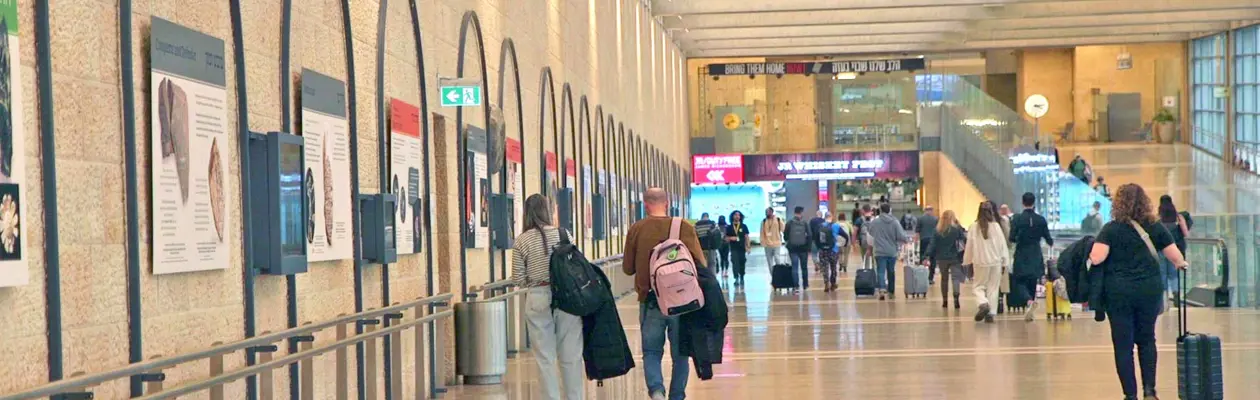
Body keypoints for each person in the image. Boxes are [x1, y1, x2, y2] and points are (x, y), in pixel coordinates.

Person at [1088, 184, 1189, 400]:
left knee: (1123, 344)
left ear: (1118, 204)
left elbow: (1097, 257)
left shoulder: (1111, 229)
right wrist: (1182, 263)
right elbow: (1175, 256)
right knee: (1146, 340)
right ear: (1144, 202)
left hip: (1119, 293)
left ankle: (1130, 394)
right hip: (1148, 291)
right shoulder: (1155, 226)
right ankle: (1150, 391)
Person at [623, 188, 706, 400]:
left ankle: (657, 391)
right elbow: (700, 264)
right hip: (682, 302)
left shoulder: (637, 229)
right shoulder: (684, 227)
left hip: (650, 300)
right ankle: (677, 396)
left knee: (651, 351)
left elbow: (627, 268)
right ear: (667, 203)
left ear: (645, 203)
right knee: (681, 354)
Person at [511, 194, 583, 400]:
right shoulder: (564, 234)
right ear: (548, 211)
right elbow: (577, 264)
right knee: (571, 354)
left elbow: (518, 278)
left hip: (537, 296)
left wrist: (534, 281)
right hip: (567, 297)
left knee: (545, 357)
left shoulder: (521, 241)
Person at [963, 202, 1010, 323]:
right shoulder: (996, 226)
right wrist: (1005, 261)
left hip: (980, 261)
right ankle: (991, 313)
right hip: (996, 262)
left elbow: (969, 245)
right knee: (993, 288)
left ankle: (983, 303)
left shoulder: (974, 227)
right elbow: (1002, 246)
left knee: (978, 286)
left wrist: (967, 260)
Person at [1010, 192, 1053, 321]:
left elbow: (1011, 238)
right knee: (1033, 280)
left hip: (1022, 253)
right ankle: (1030, 306)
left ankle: (1028, 302)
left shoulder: (1017, 219)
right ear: (1034, 202)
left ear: (1023, 202)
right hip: (1036, 253)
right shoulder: (1041, 219)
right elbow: (1049, 239)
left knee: (1019, 281)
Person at [867, 202, 911, 300]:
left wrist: (870, 247)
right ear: (890, 210)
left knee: (881, 271)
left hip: (879, 251)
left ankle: (882, 290)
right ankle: (891, 292)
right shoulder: (894, 222)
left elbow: (870, 233)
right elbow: (901, 235)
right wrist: (906, 240)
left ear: (881, 210)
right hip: (891, 251)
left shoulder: (875, 222)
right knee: (891, 271)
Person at [925, 209, 965, 309]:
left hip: (942, 258)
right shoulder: (956, 229)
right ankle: (956, 297)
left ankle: (945, 301)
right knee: (955, 278)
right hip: (955, 257)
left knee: (944, 279)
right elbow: (964, 241)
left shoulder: (937, 230)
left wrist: (926, 255)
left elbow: (932, 244)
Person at [1158, 195, 1190, 307]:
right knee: (1173, 273)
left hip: (1161, 250)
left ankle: (1164, 299)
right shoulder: (1178, 217)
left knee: (1162, 273)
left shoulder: (1158, 220)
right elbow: (1186, 233)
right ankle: (1176, 295)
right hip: (1174, 248)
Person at [784, 206, 814, 293]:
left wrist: (789, 242)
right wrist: (808, 248)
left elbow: (785, 236)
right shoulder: (805, 223)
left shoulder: (789, 223)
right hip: (803, 248)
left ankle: (796, 286)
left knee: (794, 267)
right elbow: (810, 235)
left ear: (794, 212)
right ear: (801, 212)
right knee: (804, 267)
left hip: (793, 249)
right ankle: (805, 285)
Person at [726, 211, 751, 286]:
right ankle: (736, 277)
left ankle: (742, 276)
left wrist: (748, 247)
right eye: (735, 215)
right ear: (732, 216)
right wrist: (731, 238)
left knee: (742, 262)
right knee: (735, 262)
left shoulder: (744, 226)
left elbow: (746, 237)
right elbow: (726, 238)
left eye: (738, 215)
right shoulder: (729, 227)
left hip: (742, 248)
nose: (737, 216)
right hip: (733, 248)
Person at [916, 206, 939, 283]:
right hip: (933, 241)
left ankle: (922, 277)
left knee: (923, 257)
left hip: (923, 240)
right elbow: (938, 231)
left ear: (925, 211)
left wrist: (917, 240)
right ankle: (930, 278)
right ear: (932, 211)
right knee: (933, 259)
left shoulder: (920, 219)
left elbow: (917, 231)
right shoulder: (936, 219)